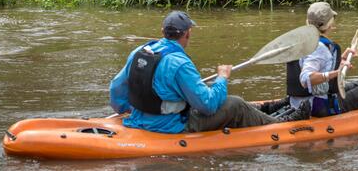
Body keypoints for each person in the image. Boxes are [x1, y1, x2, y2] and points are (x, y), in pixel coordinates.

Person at [109, 11, 310, 134]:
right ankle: (281, 123)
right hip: (170, 126)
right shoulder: (179, 63)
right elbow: (208, 106)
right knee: (234, 104)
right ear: (188, 33)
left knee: (221, 98)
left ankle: (267, 107)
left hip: (139, 118)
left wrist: (127, 110)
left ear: (163, 31)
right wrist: (222, 78)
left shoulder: (140, 51)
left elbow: (116, 88)